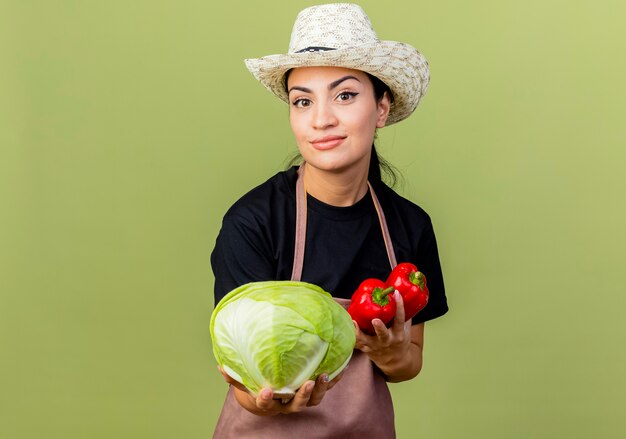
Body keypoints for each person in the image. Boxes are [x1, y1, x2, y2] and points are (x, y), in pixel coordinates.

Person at [210, 3, 448, 437]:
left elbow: (409, 361)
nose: (321, 119)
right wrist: (269, 397)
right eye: (303, 101)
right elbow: (243, 384)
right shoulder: (253, 222)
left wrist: (390, 354)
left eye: (345, 95)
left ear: (381, 109)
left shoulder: (409, 226)